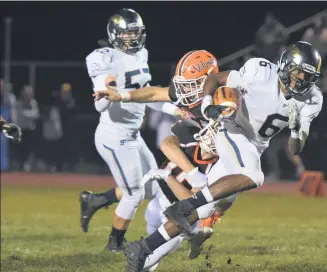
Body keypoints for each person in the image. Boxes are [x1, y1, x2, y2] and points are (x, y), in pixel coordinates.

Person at [123, 41, 324, 272]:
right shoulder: (260, 71)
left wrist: (296, 126)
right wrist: (209, 107)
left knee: (205, 210)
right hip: (233, 128)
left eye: (307, 77)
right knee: (254, 176)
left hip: (253, 147)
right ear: (284, 67)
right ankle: (187, 204)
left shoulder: (313, 99)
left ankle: (144, 250)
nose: (300, 81)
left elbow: (295, 148)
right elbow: (216, 79)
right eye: (297, 73)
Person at [83, 50, 226, 256]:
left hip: (228, 156)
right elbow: (152, 93)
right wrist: (121, 95)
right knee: (159, 201)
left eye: (190, 83)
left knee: (217, 199)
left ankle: (203, 222)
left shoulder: (224, 98)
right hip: (201, 150)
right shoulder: (190, 94)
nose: (184, 90)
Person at [82, 8, 189, 252]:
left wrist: (174, 110)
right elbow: (100, 105)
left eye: (136, 33)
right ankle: (115, 245)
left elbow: (147, 93)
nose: (133, 38)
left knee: (151, 186)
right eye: (127, 33)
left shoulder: (142, 54)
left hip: (133, 134)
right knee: (134, 194)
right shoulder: (102, 57)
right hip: (114, 134)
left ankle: (96, 200)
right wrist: (106, 87)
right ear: (115, 34)